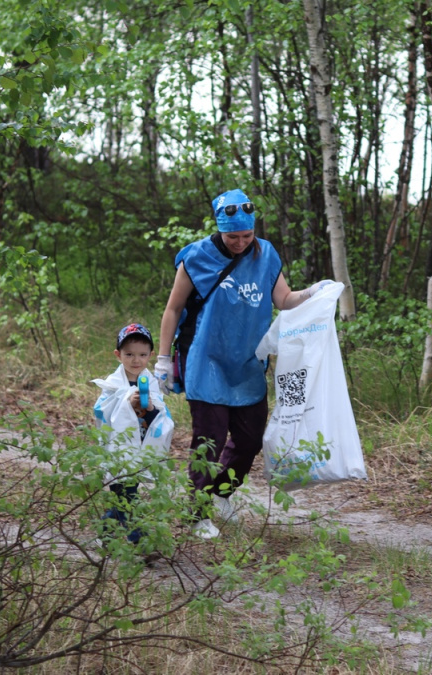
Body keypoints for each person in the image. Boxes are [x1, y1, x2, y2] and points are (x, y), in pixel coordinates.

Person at [156, 189, 331, 540]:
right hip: (205, 362)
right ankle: (196, 512)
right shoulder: (196, 258)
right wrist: (163, 359)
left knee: (250, 441)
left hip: (248, 363)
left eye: (246, 235)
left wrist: (314, 292)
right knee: (209, 441)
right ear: (220, 229)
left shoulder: (265, 254)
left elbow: (284, 299)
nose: (240, 243)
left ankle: (220, 495)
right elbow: (174, 309)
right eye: (232, 236)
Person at [92, 322, 171, 545]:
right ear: (118, 355)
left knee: (124, 495)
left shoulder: (151, 383)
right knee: (127, 495)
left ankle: (105, 532)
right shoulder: (113, 384)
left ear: (151, 355)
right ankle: (139, 541)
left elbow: (161, 414)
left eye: (142, 355)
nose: (136, 360)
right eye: (129, 354)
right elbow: (102, 411)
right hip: (118, 448)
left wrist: (149, 408)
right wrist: (126, 403)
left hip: (140, 447)